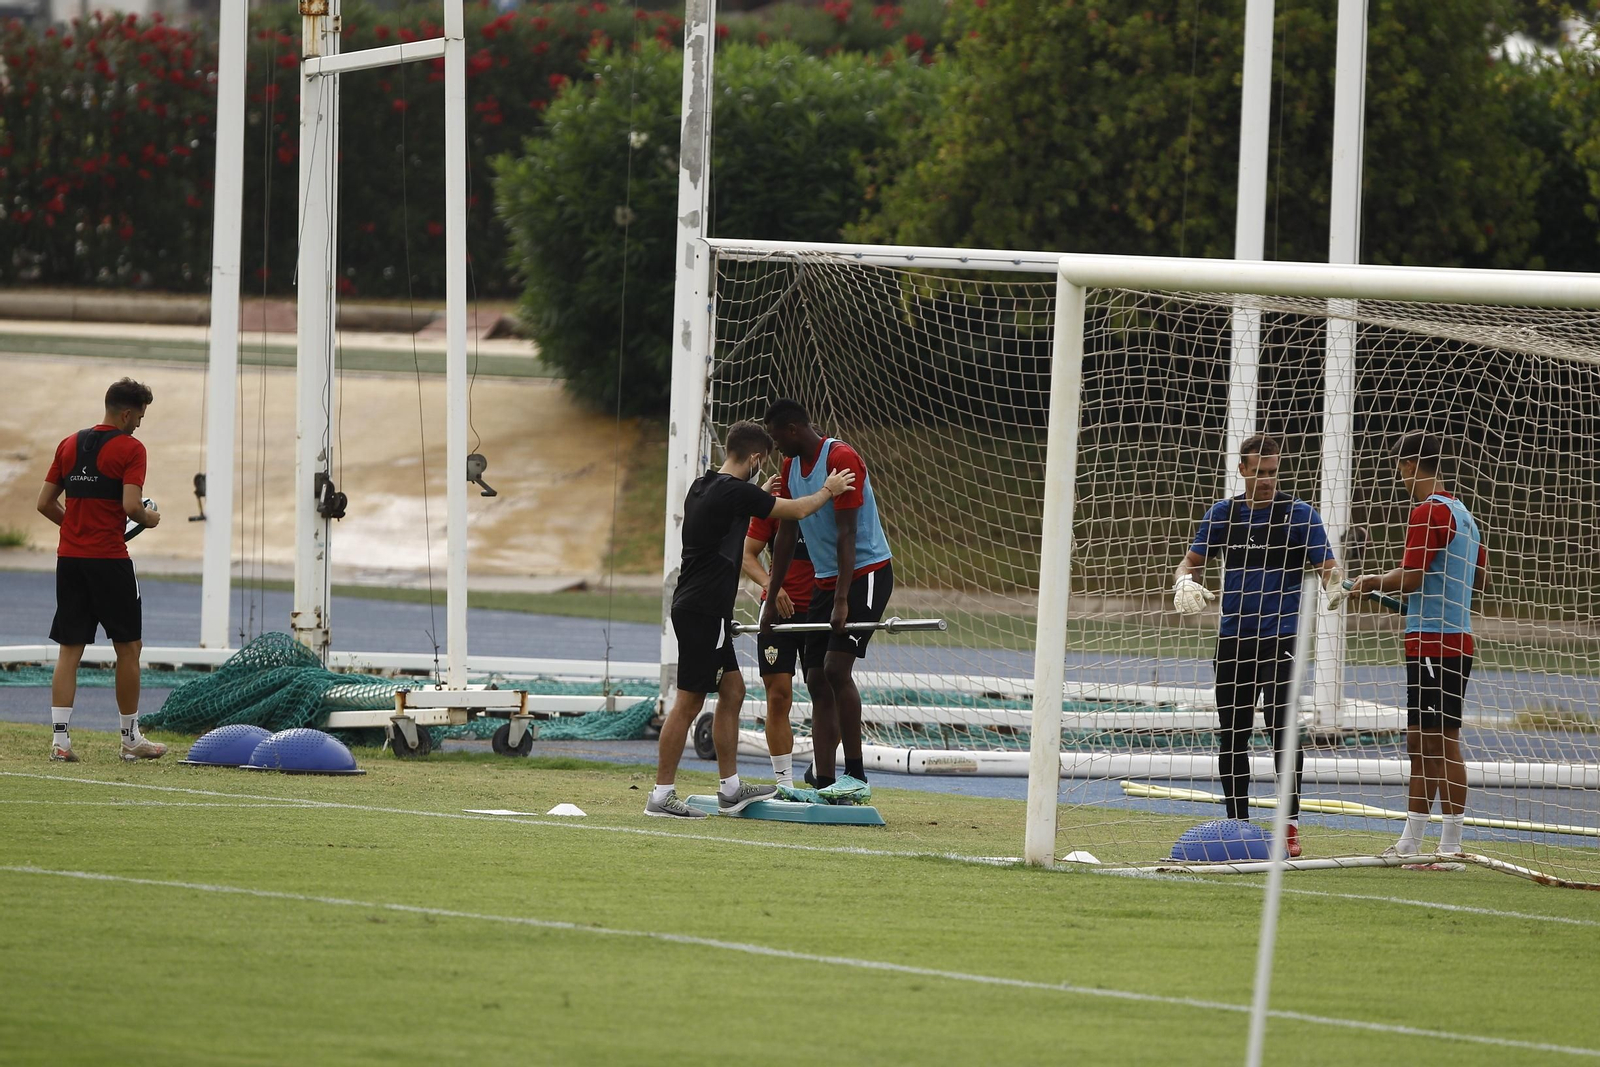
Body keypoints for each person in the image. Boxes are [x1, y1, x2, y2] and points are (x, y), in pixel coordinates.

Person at [649, 421, 855, 819]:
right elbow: (796, 509)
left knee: (734, 691)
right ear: (757, 457)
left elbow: (735, 507)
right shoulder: (733, 492)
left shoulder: (703, 485)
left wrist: (759, 492)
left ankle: (730, 789)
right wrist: (829, 490)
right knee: (688, 702)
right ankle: (661, 794)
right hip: (703, 610)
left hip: (706, 610)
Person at [1173, 434, 1342, 856]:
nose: (1267, 480)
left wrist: (1336, 585)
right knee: (1232, 734)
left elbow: (1328, 569)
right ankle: (1237, 825)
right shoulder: (1223, 515)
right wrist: (1183, 581)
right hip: (1233, 640)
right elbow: (1190, 561)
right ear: (1243, 470)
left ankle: (1288, 824)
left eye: (1273, 472)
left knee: (1282, 730)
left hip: (1280, 640)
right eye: (1259, 472)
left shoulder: (1299, 515)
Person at [1352, 433, 1486, 866]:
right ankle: (1412, 842)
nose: (1399, 474)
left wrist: (1374, 581)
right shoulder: (1464, 514)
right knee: (1422, 740)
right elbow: (1476, 582)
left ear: (1409, 465)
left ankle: (1447, 846)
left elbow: (1410, 577)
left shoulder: (1428, 511)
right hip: (1453, 640)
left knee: (1438, 742)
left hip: (1435, 644)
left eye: (1399, 466)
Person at [761, 398, 894, 806]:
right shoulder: (788, 469)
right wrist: (771, 596)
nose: (775, 446)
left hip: (865, 574)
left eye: (776, 436)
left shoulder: (841, 458)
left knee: (837, 670)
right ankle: (823, 781)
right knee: (816, 679)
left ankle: (856, 776)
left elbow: (847, 535)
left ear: (794, 429)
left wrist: (840, 601)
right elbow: (784, 536)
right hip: (825, 580)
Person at [35, 377, 165, 763]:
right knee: (128, 647)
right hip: (109, 560)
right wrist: (151, 517)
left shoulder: (69, 443)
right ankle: (129, 739)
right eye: (139, 416)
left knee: (69, 649)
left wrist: (76, 528)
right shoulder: (132, 448)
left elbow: (44, 503)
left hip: (70, 559)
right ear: (126, 413)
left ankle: (60, 742)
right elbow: (130, 506)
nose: (139, 424)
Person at [741, 501, 814, 789]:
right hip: (776, 612)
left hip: (821, 611)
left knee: (825, 694)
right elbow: (747, 555)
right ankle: (784, 784)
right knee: (778, 696)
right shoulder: (776, 500)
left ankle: (823, 774)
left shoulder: (828, 496)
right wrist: (771, 587)